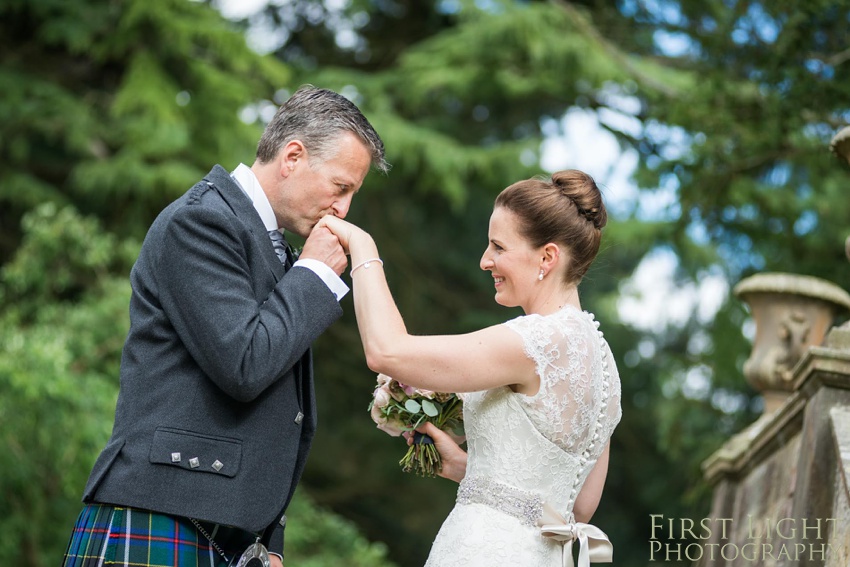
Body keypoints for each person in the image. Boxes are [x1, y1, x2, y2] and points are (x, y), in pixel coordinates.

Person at [61, 85, 388, 567]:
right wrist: (315, 273)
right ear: (293, 156)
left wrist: (267, 541)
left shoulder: (270, 246)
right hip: (160, 512)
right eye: (341, 187)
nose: (343, 209)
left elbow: (275, 414)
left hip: (223, 533)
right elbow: (245, 363)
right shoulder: (200, 222)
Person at [318, 169, 622, 567]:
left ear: (547, 257)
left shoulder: (534, 340)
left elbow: (387, 352)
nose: (485, 261)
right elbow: (576, 512)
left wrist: (362, 245)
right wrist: (473, 472)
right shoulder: (605, 366)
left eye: (498, 246)